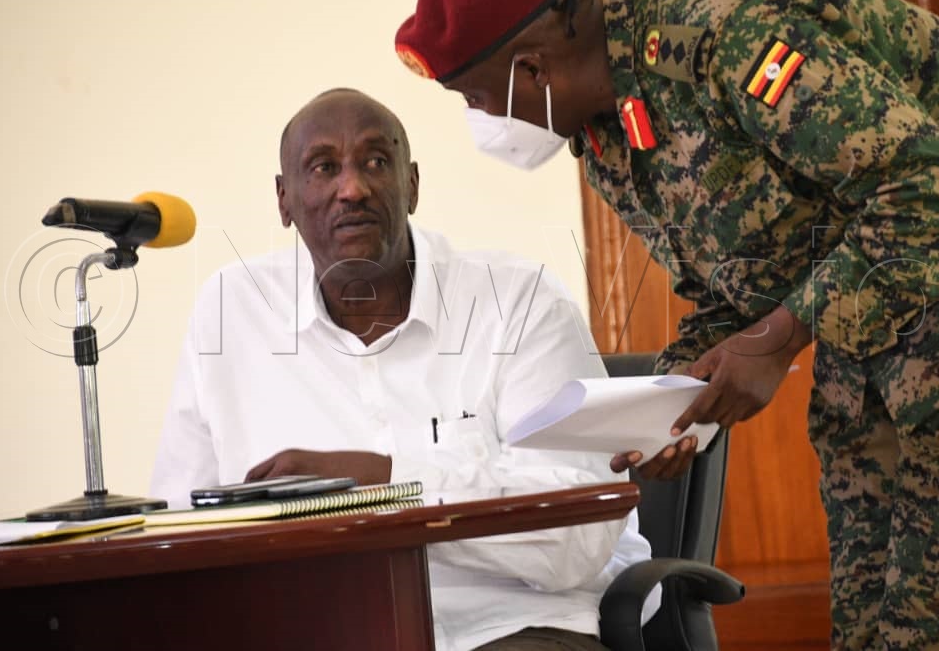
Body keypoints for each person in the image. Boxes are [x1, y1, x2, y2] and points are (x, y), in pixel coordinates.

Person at [394, 0, 939, 647]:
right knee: (870, 594)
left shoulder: (728, 32)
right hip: (871, 294)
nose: (482, 122)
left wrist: (773, 341)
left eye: (475, 99)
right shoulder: (608, 139)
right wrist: (674, 402)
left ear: (529, 70)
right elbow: (744, 283)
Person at [150, 88, 658, 651]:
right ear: (284, 200)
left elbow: (577, 537)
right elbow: (180, 528)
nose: (353, 188)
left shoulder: (518, 302)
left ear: (412, 185)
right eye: (323, 168)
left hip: (510, 625)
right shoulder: (231, 312)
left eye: (375, 162)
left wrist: (381, 482)